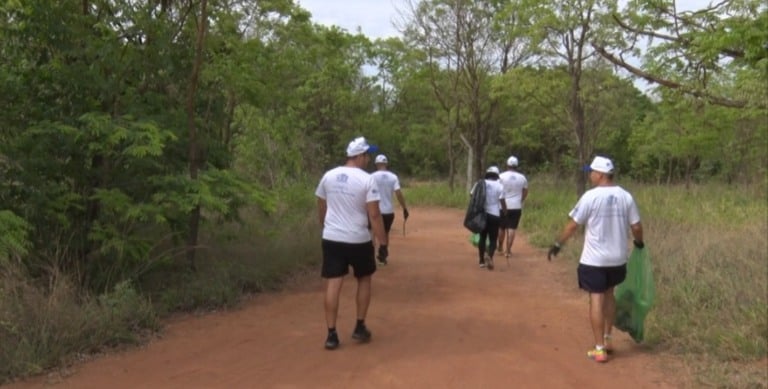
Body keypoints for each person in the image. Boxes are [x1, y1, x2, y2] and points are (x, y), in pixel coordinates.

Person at [547, 156, 644, 363]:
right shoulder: (626, 196)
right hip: (617, 260)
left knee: (597, 298)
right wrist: (639, 243)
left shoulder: (590, 197)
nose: (590, 175)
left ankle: (599, 349)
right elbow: (636, 226)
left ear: (600, 174)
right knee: (609, 294)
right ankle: (608, 339)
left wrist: (558, 244)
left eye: (591, 172)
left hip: (595, 260)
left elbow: (573, 225)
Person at [315, 136, 389, 350]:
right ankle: (359, 325)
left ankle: (331, 334)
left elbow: (321, 204)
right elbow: (374, 215)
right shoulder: (367, 180)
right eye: (367, 155)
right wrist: (383, 243)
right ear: (359, 156)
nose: (369, 159)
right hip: (358, 239)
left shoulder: (328, 176)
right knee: (364, 278)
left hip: (332, 237)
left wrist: (325, 225)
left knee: (333, 282)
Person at [371, 154, 409, 265]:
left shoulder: (371, 177)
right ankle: (382, 257)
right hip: (388, 211)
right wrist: (404, 208)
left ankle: (370, 256)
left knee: (372, 232)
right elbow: (398, 194)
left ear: (376, 164)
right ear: (386, 164)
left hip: (375, 210)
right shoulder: (393, 177)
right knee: (385, 233)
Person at [471, 166, 506, 270]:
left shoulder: (480, 183)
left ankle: (481, 261)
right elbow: (502, 201)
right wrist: (505, 211)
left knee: (482, 237)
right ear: (496, 175)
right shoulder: (500, 186)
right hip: (494, 215)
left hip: (482, 214)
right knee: (493, 239)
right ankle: (490, 256)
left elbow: (471, 194)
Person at [498, 156, 528, 258]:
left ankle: (500, 247)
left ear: (507, 165)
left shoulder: (501, 176)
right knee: (512, 228)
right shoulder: (522, 177)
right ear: (517, 166)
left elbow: (497, 190)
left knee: (501, 227)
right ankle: (508, 250)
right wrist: (520, 200)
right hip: (516, 206)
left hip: (502, 205)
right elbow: (525, 191)